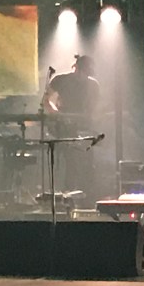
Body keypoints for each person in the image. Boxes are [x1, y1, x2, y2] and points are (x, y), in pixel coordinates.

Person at [41, 55, 101, 201]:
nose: (85, 76)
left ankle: (86, 193)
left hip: (83, 125)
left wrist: (90, 116)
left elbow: (95, 108)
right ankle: (67, 191)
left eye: (88, 73)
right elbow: (45, 100)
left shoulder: (93, 85)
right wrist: (57, 114)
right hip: (63, 125)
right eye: (84, 72)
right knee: (70, 158)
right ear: (76, 68)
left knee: (87, 159)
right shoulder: (60, 80)